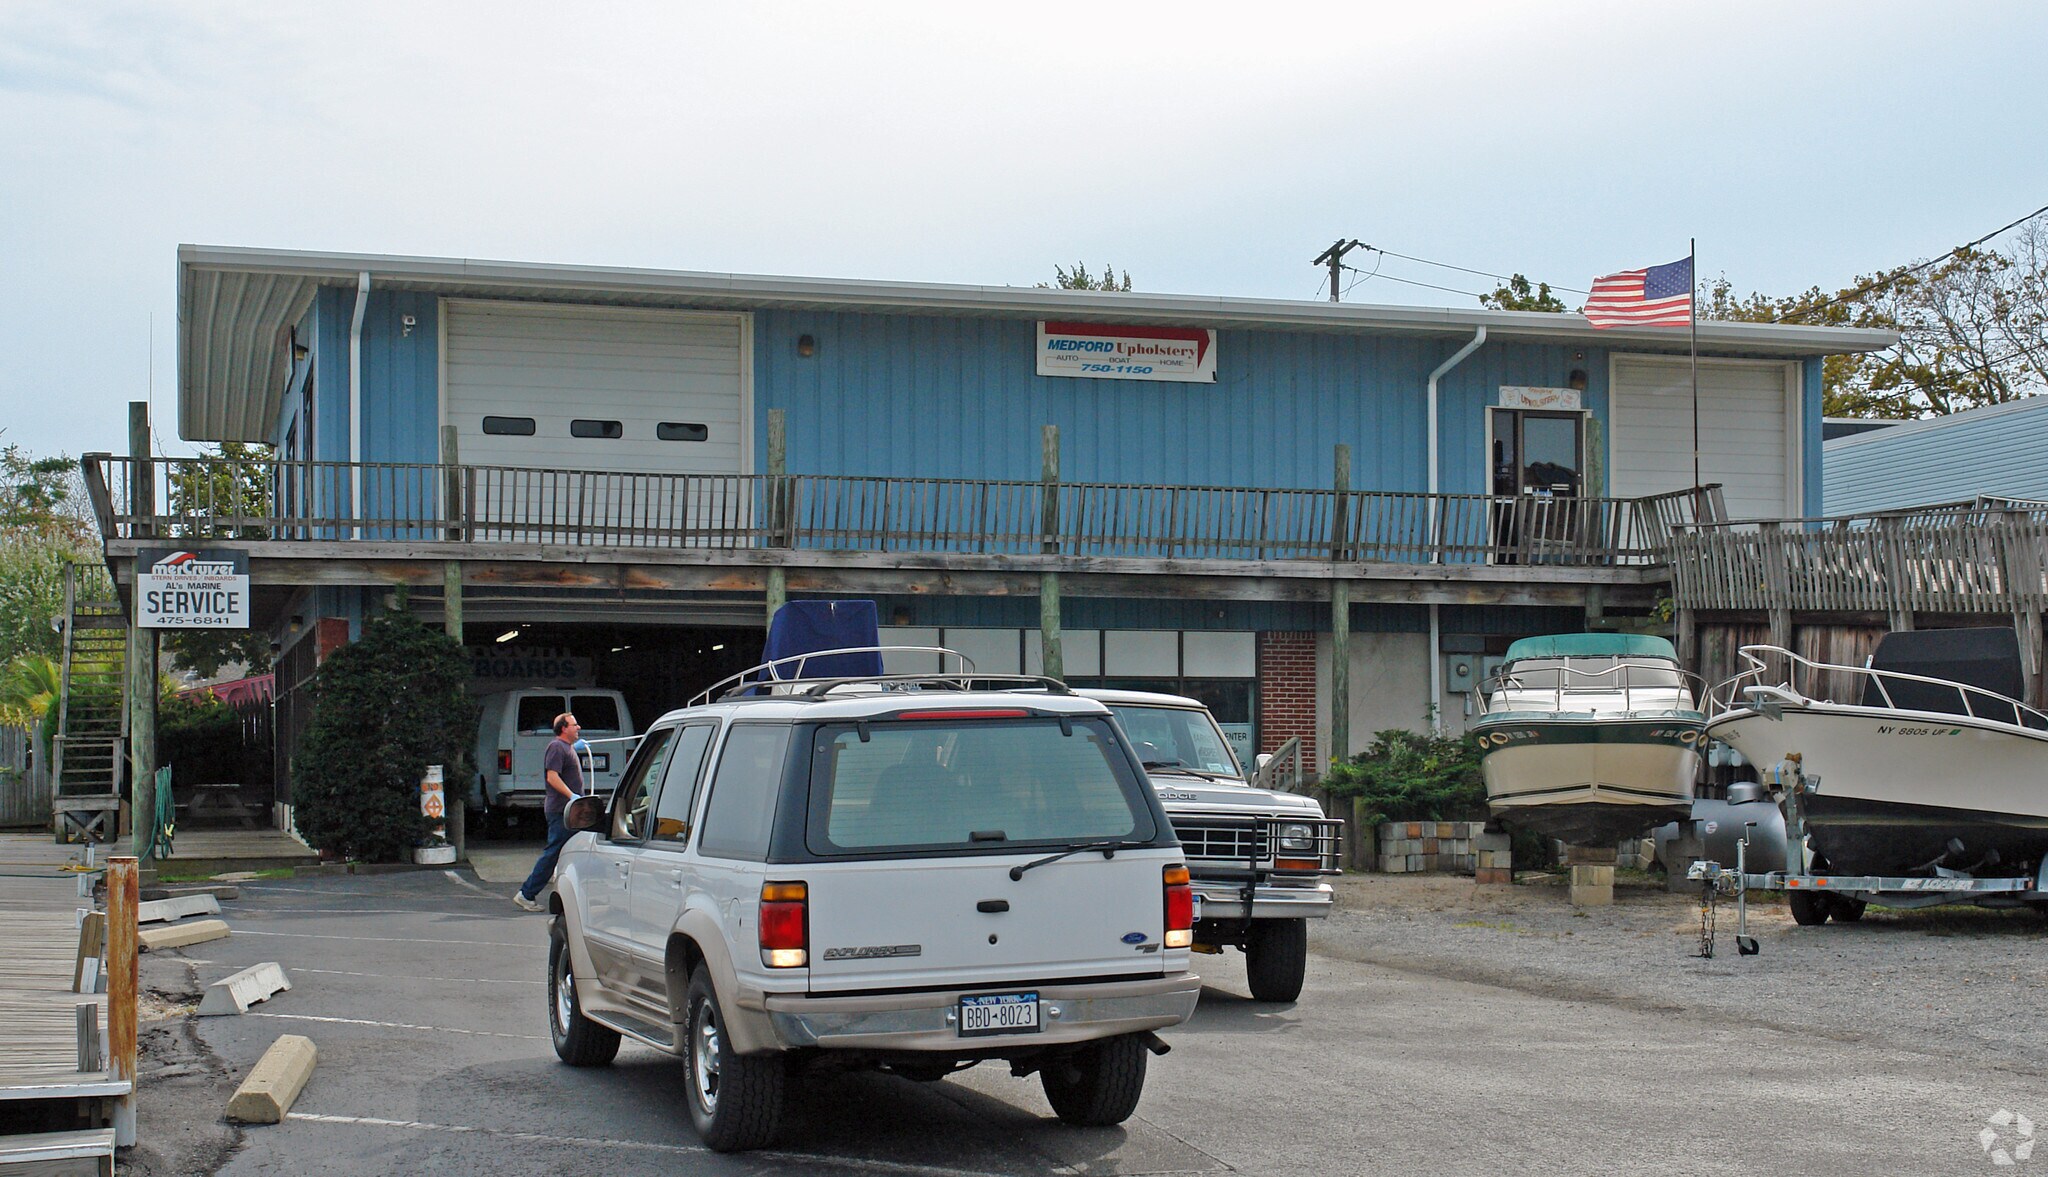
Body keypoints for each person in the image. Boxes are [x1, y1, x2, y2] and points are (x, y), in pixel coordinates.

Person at [513, 712, 583, 911]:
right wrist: (572, 796)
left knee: (571, 849)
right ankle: (526, 894)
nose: (578, 728)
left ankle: (563, 887)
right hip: (562, 810)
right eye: (574, 725)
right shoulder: (556, 747)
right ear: (563, 728)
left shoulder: (565, 748)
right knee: (553, 853)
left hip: (570, 810)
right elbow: (552, 777)